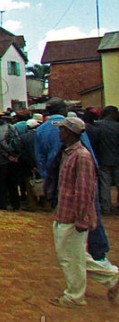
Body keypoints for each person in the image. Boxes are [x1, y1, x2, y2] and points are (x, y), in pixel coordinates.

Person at [48, 116, 118, 306]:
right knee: (76, 256)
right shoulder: (68, 153)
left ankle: (74, 295)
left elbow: (84, 191)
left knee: (71, 258)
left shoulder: (82, 156)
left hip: (72, 216)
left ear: (70, 133)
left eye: (62, 130)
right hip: (65, 212)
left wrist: (81, 218)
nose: (59, 133)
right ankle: (112, 277)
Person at [0, 107, 21, 210]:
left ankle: (2, 204)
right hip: (12, 159)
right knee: (12, 183)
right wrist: (14, 156)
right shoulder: (11, 127)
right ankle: (15, 204)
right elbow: (17, 141)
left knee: (0, 184)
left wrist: (7, 156)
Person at [96, 106, 119, 214]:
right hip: (117, 159)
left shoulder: (98, 125)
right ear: (112, 114)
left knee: (105, 184)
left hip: (103, 158)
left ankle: (106, 208)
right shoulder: (117, 126)